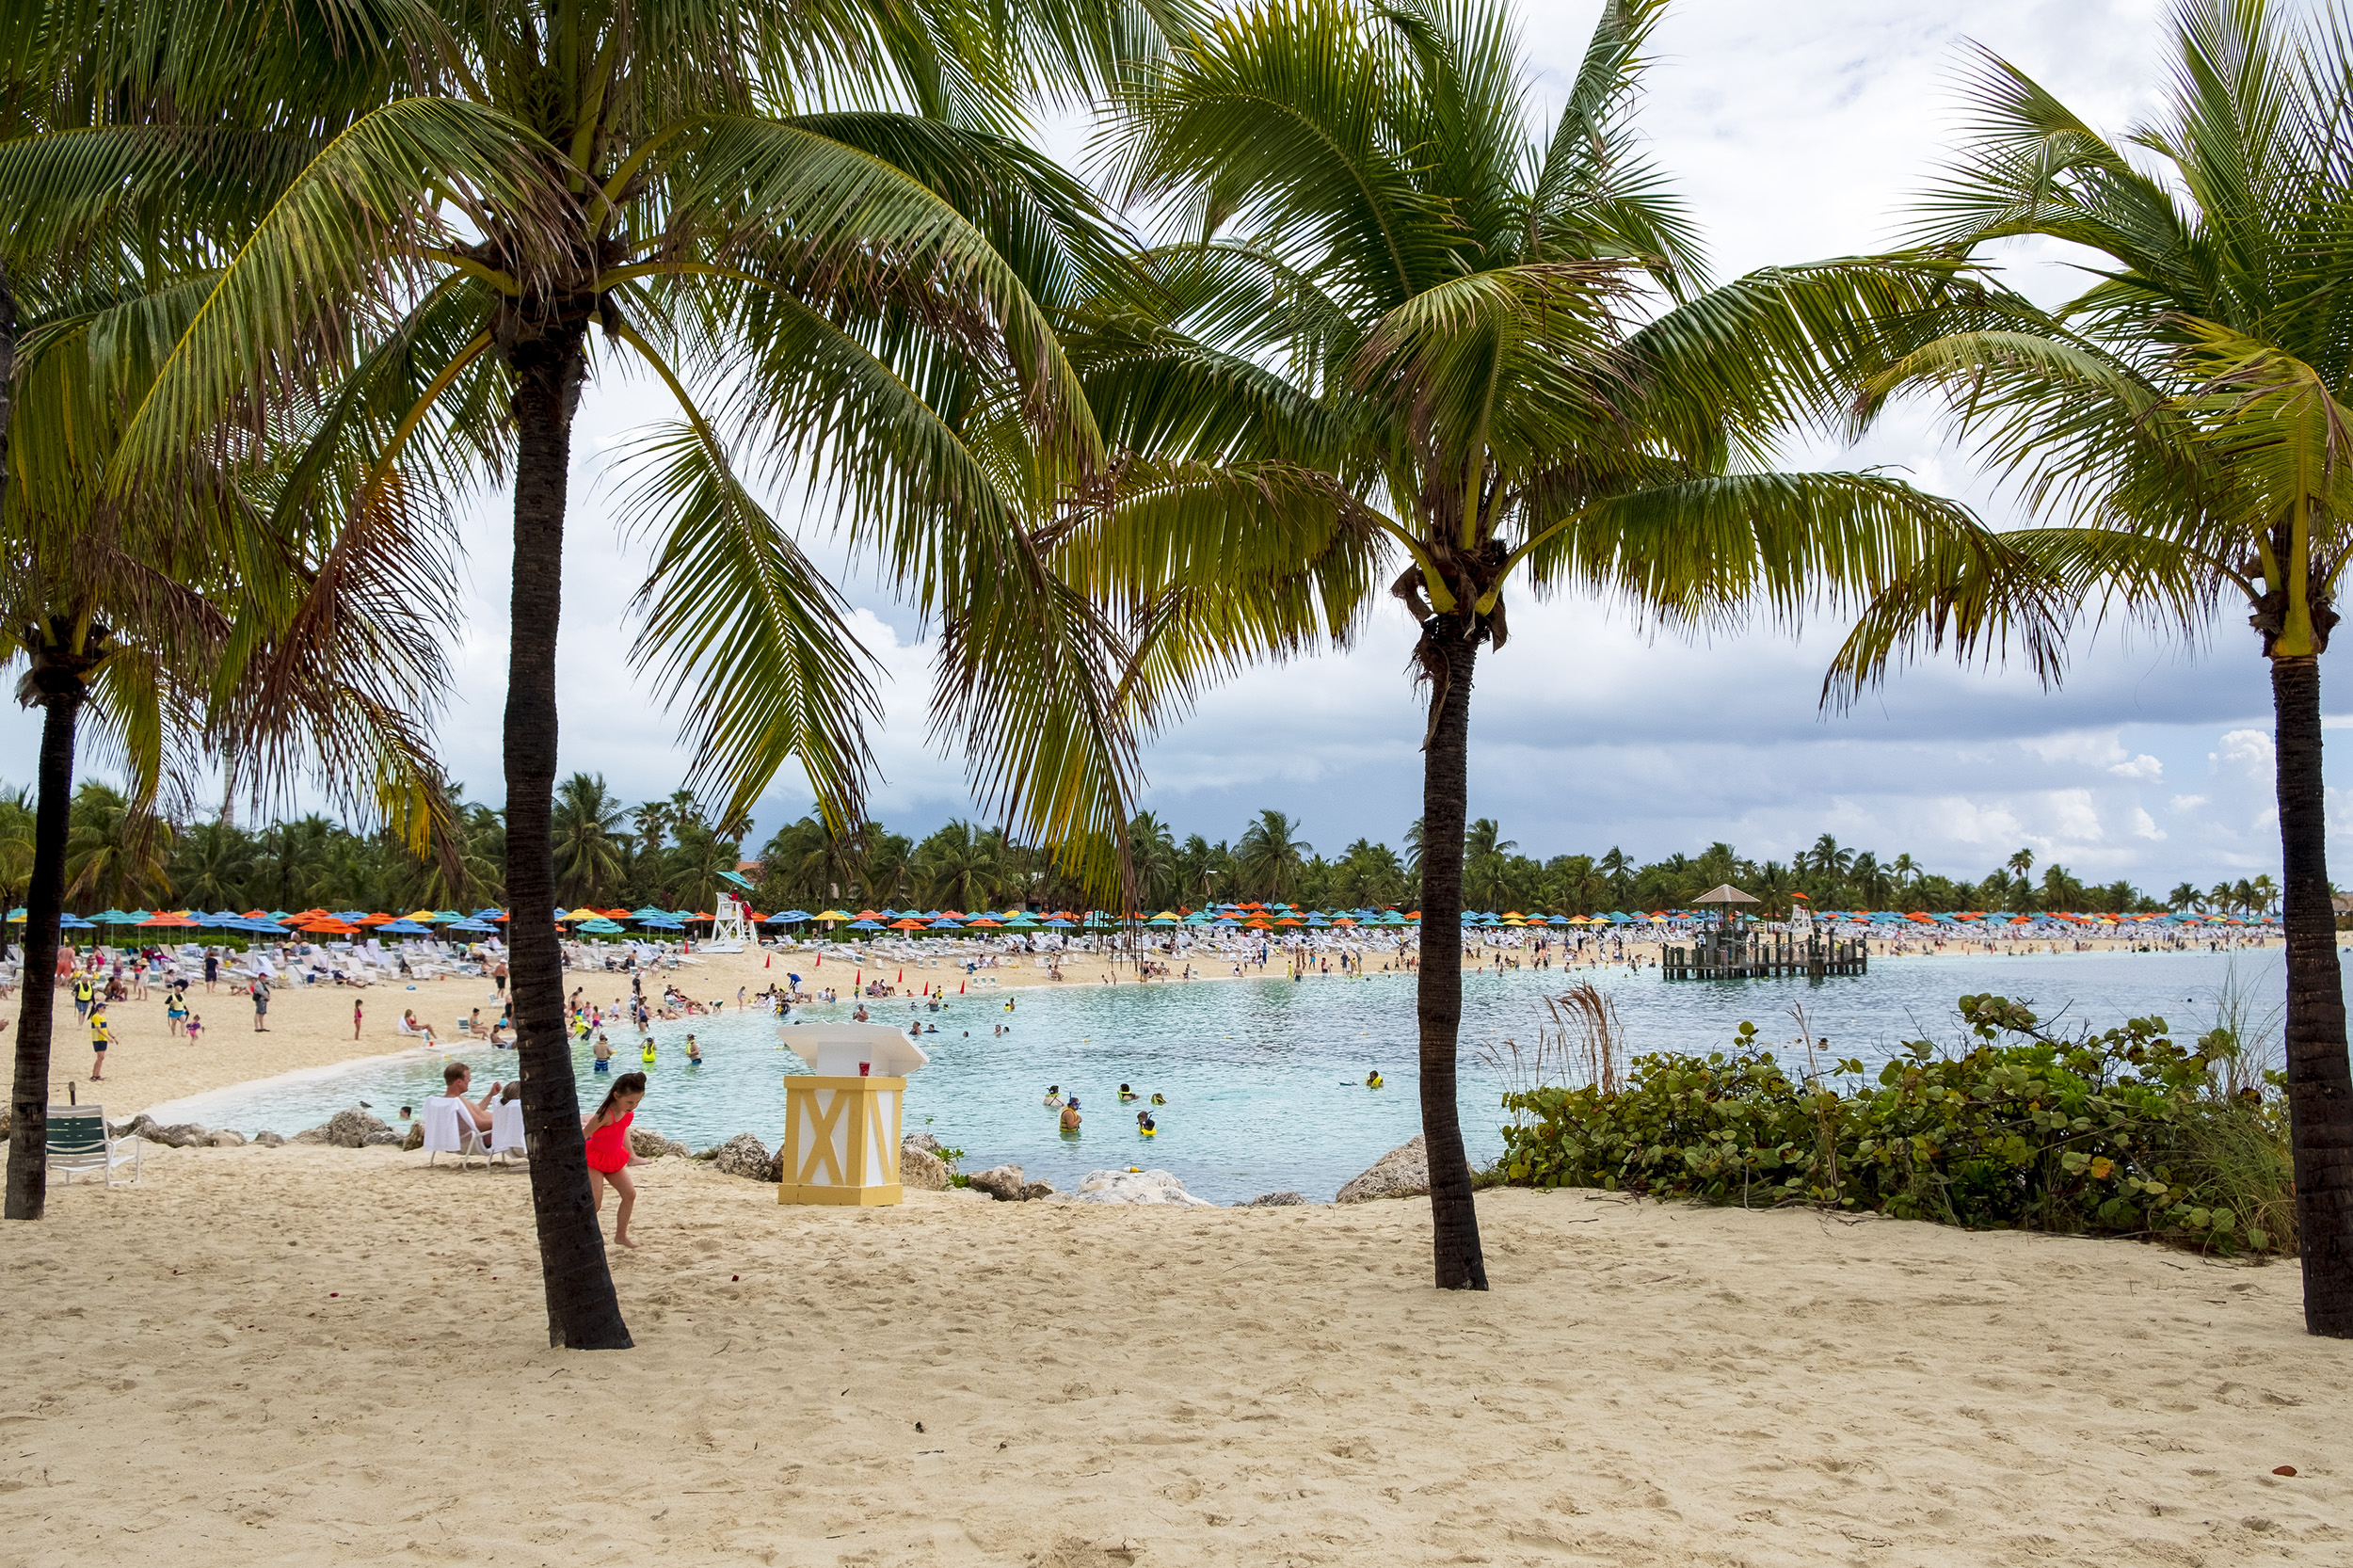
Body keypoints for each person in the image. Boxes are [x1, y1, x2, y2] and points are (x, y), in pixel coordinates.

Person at [583, 1070, 646, 1248]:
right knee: (595, 1204)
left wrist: (632, 1155)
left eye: (638, 1102)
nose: (633, 1106)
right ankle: (582, 1235)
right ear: (617, 1095)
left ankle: (621, 1236)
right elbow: (584, 1135)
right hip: (594, 1160)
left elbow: (622, 1130)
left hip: (614, 1158)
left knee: (630, 1194)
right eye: (630, 1102)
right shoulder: (604, 1115)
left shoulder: (626, 1112)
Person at [438, 1062, 501, 1136]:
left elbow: (477, 1109)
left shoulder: (447, 1100)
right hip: (483, 1138)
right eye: (468, 1078)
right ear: (459, 1082)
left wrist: (490, 1095)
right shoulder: (457, 1102)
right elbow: (480, 1125)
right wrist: (504, 1120)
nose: (470, 1080)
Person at [88, 1000, 111, 1080]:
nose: (105, 1009)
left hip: (103, 1039)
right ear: (99, 1008)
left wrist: (112, 1037)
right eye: (103, 1007)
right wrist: (107, 1037)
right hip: (97, 1039)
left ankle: (97, 1074)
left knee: (101, 1057)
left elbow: (105, 1028)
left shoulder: (103, 1017)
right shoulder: (95, 1016)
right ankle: (94, 1075)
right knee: (100, 1056)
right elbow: (98, 1029)